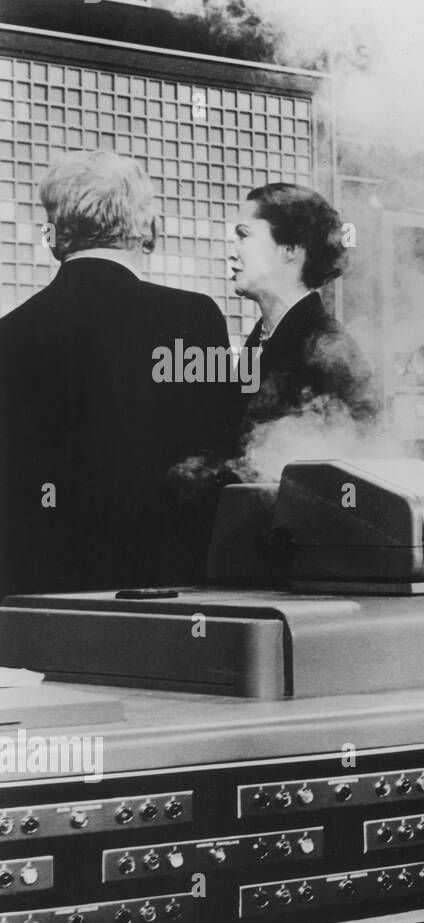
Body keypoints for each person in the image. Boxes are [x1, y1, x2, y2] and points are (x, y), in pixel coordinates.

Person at [0, 151, 240, 597]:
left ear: (54, 237)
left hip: (36, 584)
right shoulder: (193, 317)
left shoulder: (11, 332)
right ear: (148, 229)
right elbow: (222, 447)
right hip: (166, 580)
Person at [229, 182, 374, 429]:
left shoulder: (333, 351)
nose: (233, 251)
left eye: (244, 235)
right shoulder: (264, 337)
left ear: (289, 249)